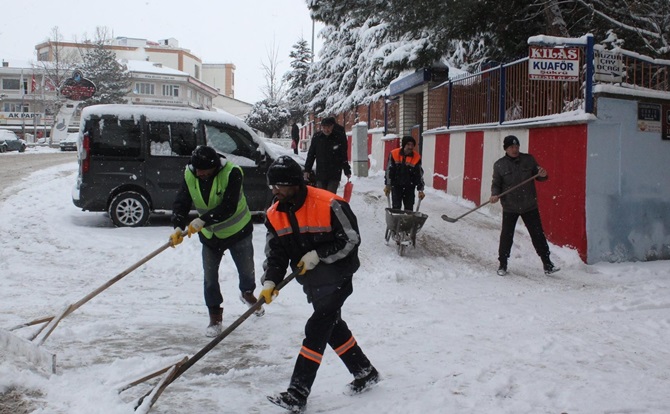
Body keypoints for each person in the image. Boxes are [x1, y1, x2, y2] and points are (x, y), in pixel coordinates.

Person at [260, 156, 379, 413]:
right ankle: (364, 371)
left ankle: (297, 392)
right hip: (312, 281)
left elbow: (350, 240)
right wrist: (271, 279)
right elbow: (276, 253)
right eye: (272, 187)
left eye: (279, 186)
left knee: (317, 327)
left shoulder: (329, 203)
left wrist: (318, 255)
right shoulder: (274, 214)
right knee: (332, 327)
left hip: (338, 275)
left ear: (294, 183)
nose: (275, 191)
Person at [169, 145, 263, 338]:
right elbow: (182, 201)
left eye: (205, 171)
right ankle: (215, 316)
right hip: (211, 237)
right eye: (198, 171)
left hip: (238, 231)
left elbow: (229, 206)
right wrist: (178, 225)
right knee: (210, 277)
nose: (201, 174)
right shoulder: (191, 174)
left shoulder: (232, 173)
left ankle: (247, 293)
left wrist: (203, 219)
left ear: (215, 167)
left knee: (246, 270)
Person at [489, 135, 559, 276]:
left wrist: (543, 174)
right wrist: (494, 194)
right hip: (510, 206)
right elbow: (496, 184)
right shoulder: (499, 165)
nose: (514, 149)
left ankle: (547, 263)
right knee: (506, 236)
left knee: (537, 235)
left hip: (529, 205)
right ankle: (503, 264)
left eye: (516, 146)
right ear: (506, 149)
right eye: (511, 147)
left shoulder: (529, 159)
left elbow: (539, 176)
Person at [303, 117, 352, 194]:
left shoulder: (338, 137)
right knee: (321, 196)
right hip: (321, 173)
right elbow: (311, 154)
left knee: (330, 196)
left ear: (333, 126)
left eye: (328, 127)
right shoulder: (317, 137)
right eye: (324, 127)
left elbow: (343, 155)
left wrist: (347, 170)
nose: (326, 130)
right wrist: (307, 170)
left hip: (334, 173)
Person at [384, 136, 425, 211]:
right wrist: (388, 185)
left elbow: (419, 174)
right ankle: (396, 222)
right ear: (404, 145)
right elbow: (389, 171)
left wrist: (420, 190)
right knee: (396, 208)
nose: (410, 147)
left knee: (409, 209)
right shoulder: (394, 154)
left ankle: (407, 222)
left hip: (409, 187)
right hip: (396, 186)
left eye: (412, 145)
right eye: (408, 144)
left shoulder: (416, 157)